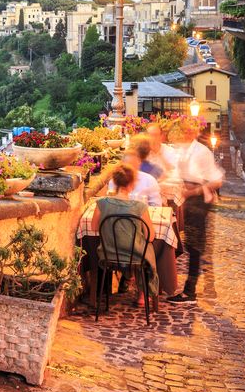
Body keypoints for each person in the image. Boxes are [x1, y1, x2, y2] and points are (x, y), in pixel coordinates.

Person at [167, 121, 223, 305]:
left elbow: (216, 181)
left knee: (195, 247)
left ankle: (190, 292)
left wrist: (192, 192)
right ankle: (189, 289)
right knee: (191, 245)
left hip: (199, 202)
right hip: (190, 200)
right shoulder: (186, 151)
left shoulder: (201, 152)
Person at [90, 162, 158, 300]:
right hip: (135, 256)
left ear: (114, 181)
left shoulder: (101, 203)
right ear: (132, 184)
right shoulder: (140, 206)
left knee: (138, 245)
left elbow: (94, 228)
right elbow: (150, 236)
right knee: (147, 247)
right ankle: (143, 293)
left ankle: (125, 283)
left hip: (108, 253)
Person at [122, 138, 163, 206]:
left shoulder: (149, 180)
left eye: (133, 164)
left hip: (143, 215)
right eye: (128, 164)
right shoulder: (115, 181)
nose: (130, 168)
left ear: (139, 164)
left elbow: (156, 205)